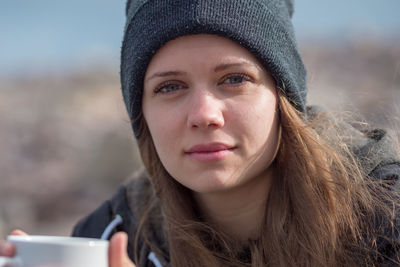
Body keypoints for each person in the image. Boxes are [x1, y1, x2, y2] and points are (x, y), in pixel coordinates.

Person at [2, 0, 400, 266]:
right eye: (169, 87)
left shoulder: (385, 218)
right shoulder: (109, 238)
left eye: (234, 79)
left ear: (283, 97)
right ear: (141, 112)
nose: (204, 114)